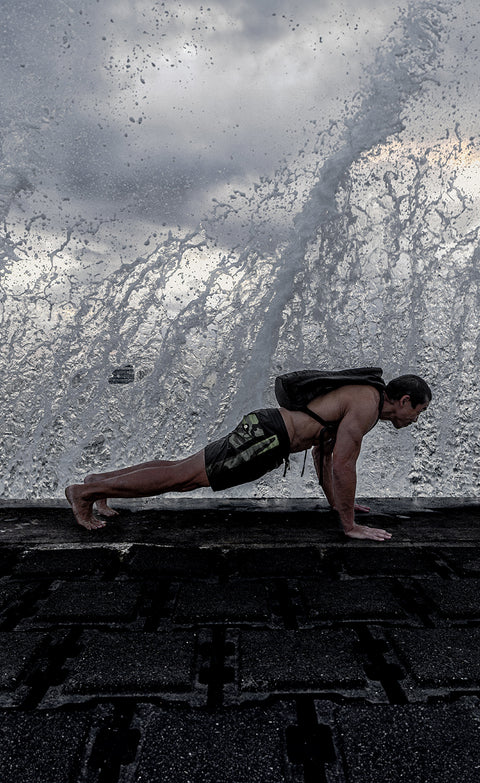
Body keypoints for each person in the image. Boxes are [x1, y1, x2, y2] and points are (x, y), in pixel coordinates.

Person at [65, 373, 431, 540]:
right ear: (403, 401)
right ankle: (84, 495)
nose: (415, 420)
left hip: (267, 428)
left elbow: (323, 453)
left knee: (181, 468)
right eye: (419, 411)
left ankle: (98, 483)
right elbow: (342, 465)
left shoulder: (361, 397)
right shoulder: (366, 405)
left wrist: (337, 505)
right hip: (268, 437)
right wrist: (350, 525)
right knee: (184, 477)